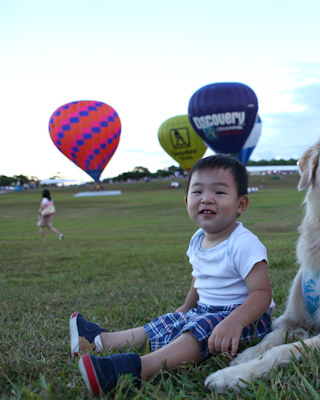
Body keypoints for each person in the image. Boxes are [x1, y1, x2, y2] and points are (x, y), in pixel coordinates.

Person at [71, 155, 275, 396]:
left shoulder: (243, 243)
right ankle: (98, 340)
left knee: (197, 330)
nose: (206, 198)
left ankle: (133, 370)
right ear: (187, 199)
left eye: (219, 192)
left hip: (246, 318)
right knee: (169, 321)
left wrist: (235, 321)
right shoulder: (198, 239)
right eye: (198, 191)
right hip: (207, 311)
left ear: (241, 204)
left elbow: (262, 294)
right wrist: (186, 307)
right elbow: (200, 277)